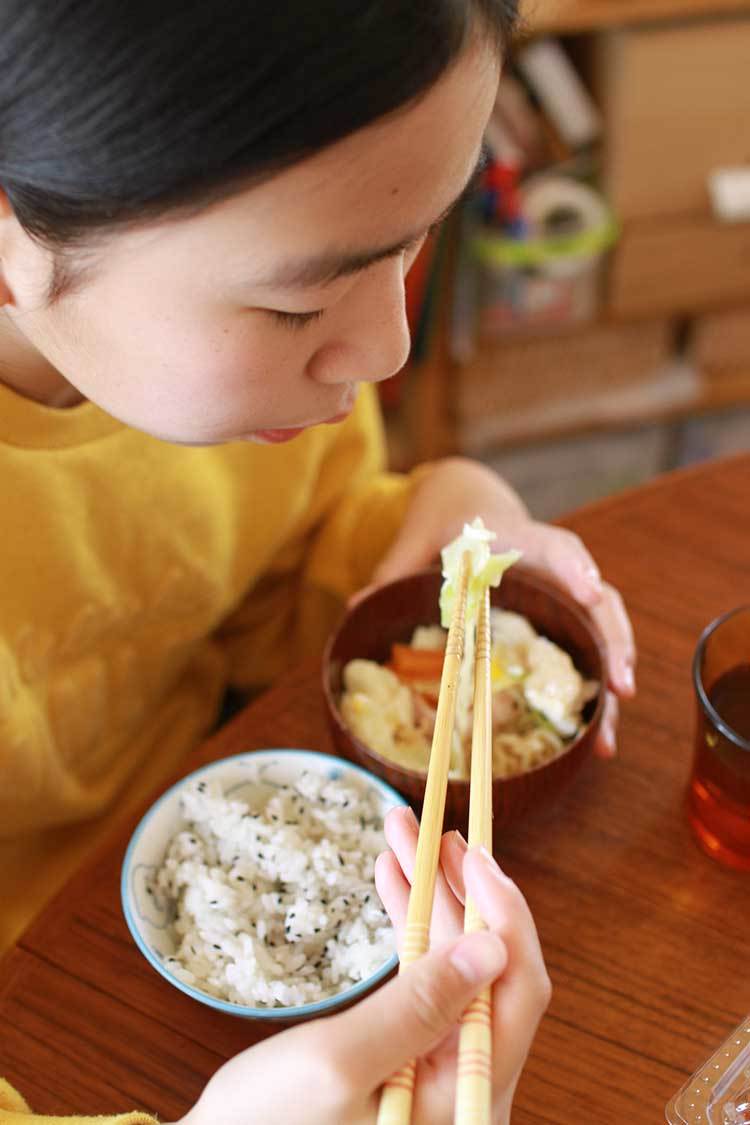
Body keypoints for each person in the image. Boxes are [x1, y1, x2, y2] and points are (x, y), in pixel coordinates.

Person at [0, 0, 635, 1119]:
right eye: (302, 301)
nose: (388, 345)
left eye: (418, 237)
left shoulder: (258, 396)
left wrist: (443, 514)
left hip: (232, 906)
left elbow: (259, 575)